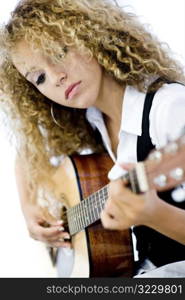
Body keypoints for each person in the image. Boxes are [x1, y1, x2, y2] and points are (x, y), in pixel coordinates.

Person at [0, 0, 185, 277]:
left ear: (89, 36)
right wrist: (29, 209)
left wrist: (152, 214)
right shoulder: (91, 118)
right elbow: (28, 152)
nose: (56, 78)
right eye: (39, 78)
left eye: (59, 52)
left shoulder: (169, 108)